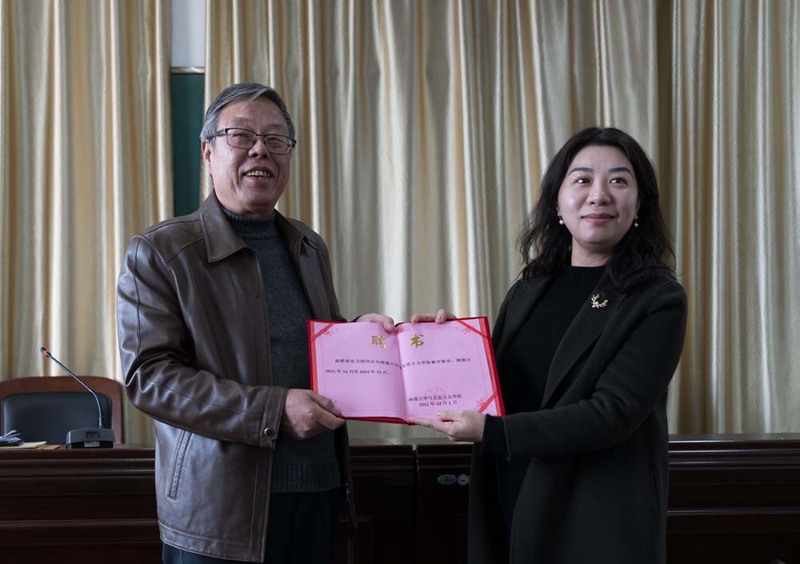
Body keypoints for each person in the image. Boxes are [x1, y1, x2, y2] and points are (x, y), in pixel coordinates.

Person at [116, 82, 393, 564]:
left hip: (316, 492)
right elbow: (150, 378)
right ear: (208, 153)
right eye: (241, 136)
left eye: (276, 138)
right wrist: (273, 410)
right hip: (221, 512)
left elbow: (310, 349)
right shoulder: (161, 251)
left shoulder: (307, 245)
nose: (260, 149)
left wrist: (362, 336)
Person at [411, 127, 687, 564]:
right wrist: (439, 347)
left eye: (618, 180)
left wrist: (494, 433)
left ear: (639, 205)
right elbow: (497, 389)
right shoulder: (530, 289)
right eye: (582, 180)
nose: (598, 195)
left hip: (593, 519)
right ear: (557, 202)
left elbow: (611, 414)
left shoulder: (657, 298)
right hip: (511, 499)